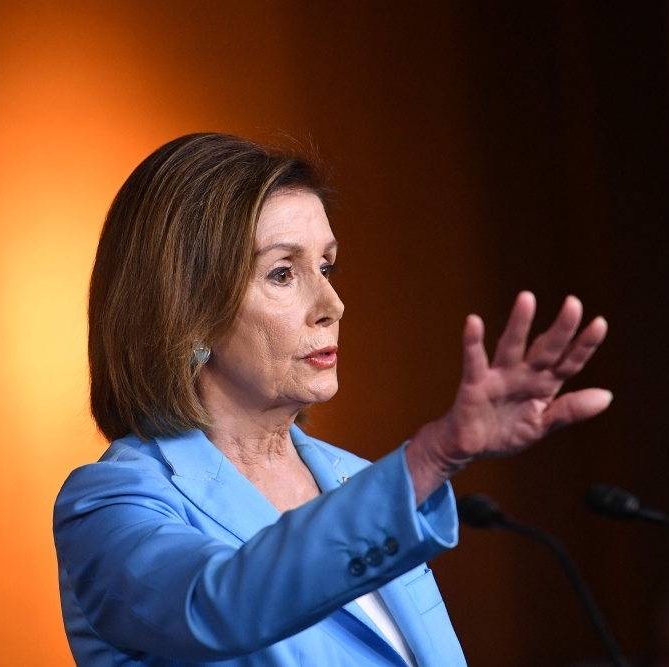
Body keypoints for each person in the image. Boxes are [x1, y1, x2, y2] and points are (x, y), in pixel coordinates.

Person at [53, 133, 611, 666]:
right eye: (281, 272)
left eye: (326, 266)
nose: (333, 303)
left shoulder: (355, 478)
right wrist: (432, 456)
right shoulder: (113, 503)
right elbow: (218, 603)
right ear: (187, 311)